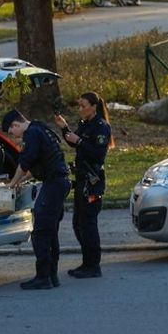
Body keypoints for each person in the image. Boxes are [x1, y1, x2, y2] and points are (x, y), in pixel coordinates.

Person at [1, 108, 71, 290]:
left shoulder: (31, 134)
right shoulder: (41, 128)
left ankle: (43, 277)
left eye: (11, 132)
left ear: (15, 124)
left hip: (54, 183)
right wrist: (21, 181)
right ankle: (52, 275)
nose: (12, 136)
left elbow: (24, 163)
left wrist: (11, 185)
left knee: (40, 231)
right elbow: (38, 163)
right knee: (50, 230)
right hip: (59, 182)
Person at [54, 92, 113, 278]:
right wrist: (64, 128)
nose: (80, 109)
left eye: (83, 105)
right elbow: (74, 143)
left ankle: (93, 265)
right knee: (78, 223)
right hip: (81, 179)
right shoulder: (84, 124)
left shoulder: (101, 127)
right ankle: (86, 263)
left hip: (92, 181)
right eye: (78, 106)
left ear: (94, 106)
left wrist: (79, 141)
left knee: (88, 223)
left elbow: (98, 153)